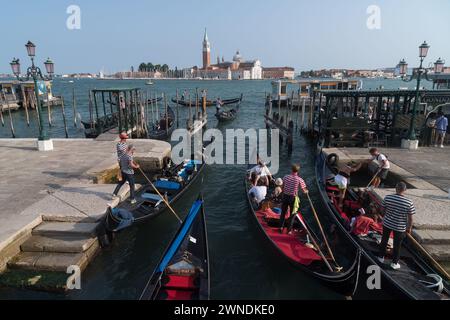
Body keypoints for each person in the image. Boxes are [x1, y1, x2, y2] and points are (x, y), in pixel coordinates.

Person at [378, 182, 415, 270]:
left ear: (396, 188)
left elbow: (382, 210)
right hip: (399, 227)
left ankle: (380, 258)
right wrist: (409, 228)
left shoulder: (388, 198)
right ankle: (394, 263)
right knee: (397, 245)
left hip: (387, 223)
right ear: (405, 190)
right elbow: (410, 218)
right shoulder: (409, 202)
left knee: (384, 240)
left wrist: (387, 215)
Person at [279, 164, 309, 233]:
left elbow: (282, 187)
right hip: (293, 198)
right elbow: (304, 190)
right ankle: (289, 230)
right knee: (292, 215)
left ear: (291, 169)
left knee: (283, 213)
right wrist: (307, 191)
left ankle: (281, 227)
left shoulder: (285, 177)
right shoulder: (299, 179)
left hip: (285, 197)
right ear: (298, 171)